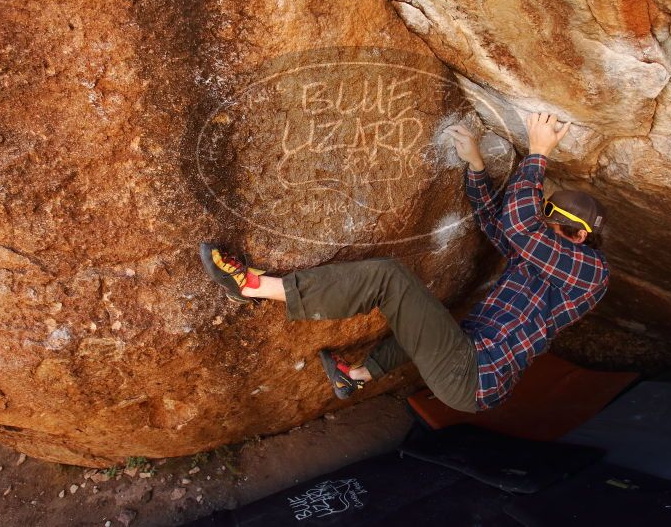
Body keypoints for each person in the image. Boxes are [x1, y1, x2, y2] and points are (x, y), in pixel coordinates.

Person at [200, 113, 609, 412]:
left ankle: (252, 286)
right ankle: (354, 377)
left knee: (388, 278)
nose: (544, 228)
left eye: (554, 226)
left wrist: (537, 154)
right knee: (428, 314)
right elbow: (495, 221)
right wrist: (476, 164)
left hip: (473, 375)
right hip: (468, 359)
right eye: (546, 219)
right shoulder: (536, 260)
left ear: (580, 237)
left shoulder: (589, 276)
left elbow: (520, 227)